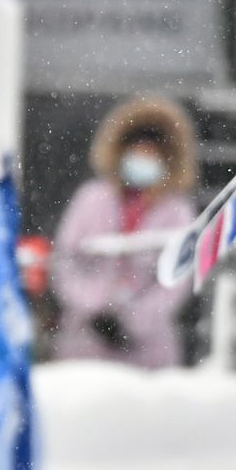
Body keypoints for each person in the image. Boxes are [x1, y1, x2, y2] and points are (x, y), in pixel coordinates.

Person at [51, 94, 197, 368]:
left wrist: (132, 322)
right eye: (138, 152)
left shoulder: (178, 211)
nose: (143, 160)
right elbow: (65, 262)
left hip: (149, 353)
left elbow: (176, 281)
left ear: (168, 160)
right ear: (120, 153)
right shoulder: (91, 198)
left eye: (152, 155)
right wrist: (94, 310)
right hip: (84, 342)